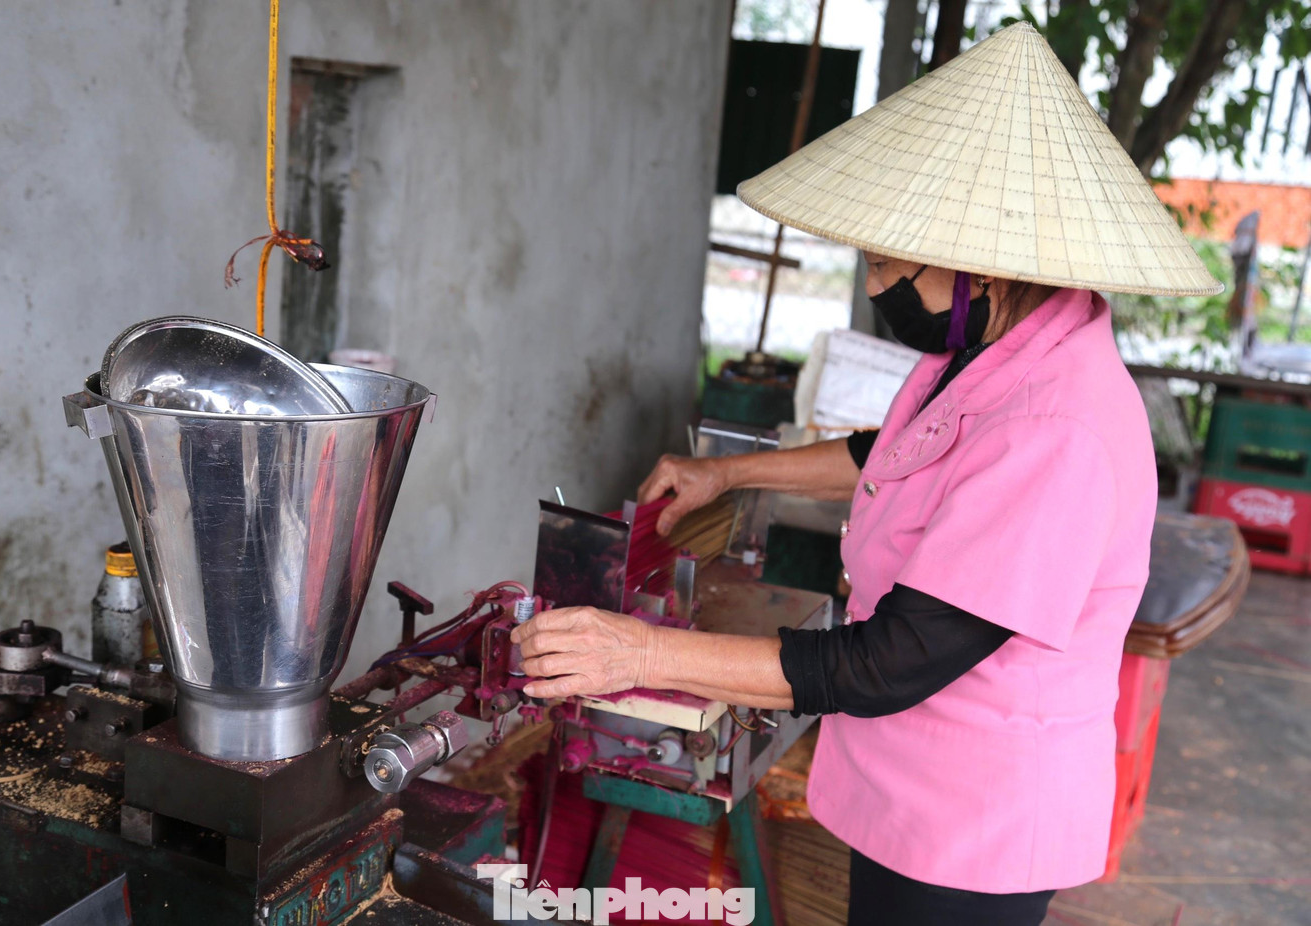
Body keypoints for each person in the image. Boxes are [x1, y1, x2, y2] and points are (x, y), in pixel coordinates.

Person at [513, 22, 1220, 926]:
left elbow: (891, 661)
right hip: (918, 786)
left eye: (886, 263)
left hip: (975, 825)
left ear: (977, 265)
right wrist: (730, 476)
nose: (877, 284)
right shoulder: (997, 351)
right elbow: (895, 452)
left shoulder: (1058, 429)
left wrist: (637, 653)